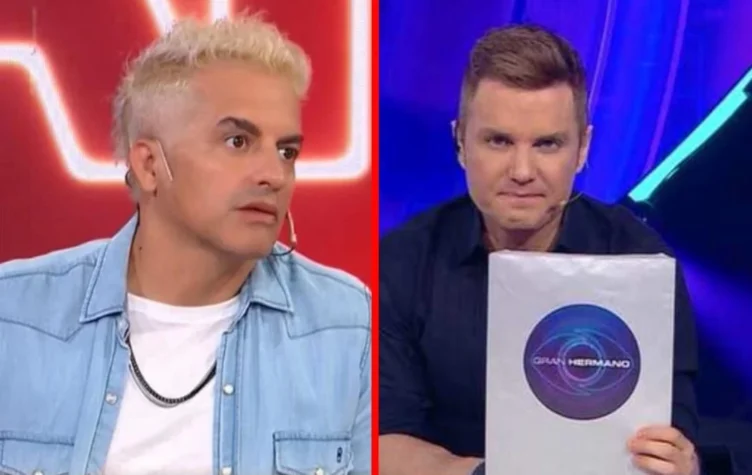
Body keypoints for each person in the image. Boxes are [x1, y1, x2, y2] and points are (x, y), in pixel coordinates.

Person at [0, 15, 370, 475]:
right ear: (150, 165)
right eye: (238, 141)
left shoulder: (348, 325)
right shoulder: (14, 316)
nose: (274, 175)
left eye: (286, 152)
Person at [379, 24, 699, 475]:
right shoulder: (402, 262)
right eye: (499, 141)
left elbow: (678, 439)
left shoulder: (642, 261)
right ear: (460, 143)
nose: (522, 171)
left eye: (547, 144)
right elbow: (383, 444)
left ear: (583, 148)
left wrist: (683, 463)